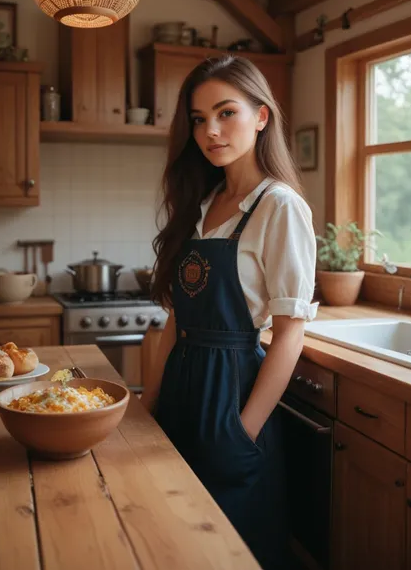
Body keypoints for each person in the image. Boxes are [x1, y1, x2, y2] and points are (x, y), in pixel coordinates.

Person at [142, 55, 318, 570]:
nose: (211, 131)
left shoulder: (279, 206)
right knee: (171, 535)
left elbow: (289, 334)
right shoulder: (206, 200)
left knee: (228, 545)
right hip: (181, 389)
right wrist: (148, 406)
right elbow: (178, 319)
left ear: (261, 117)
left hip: (233, 393)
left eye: (226, 113)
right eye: (199, 119)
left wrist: (244, 431)